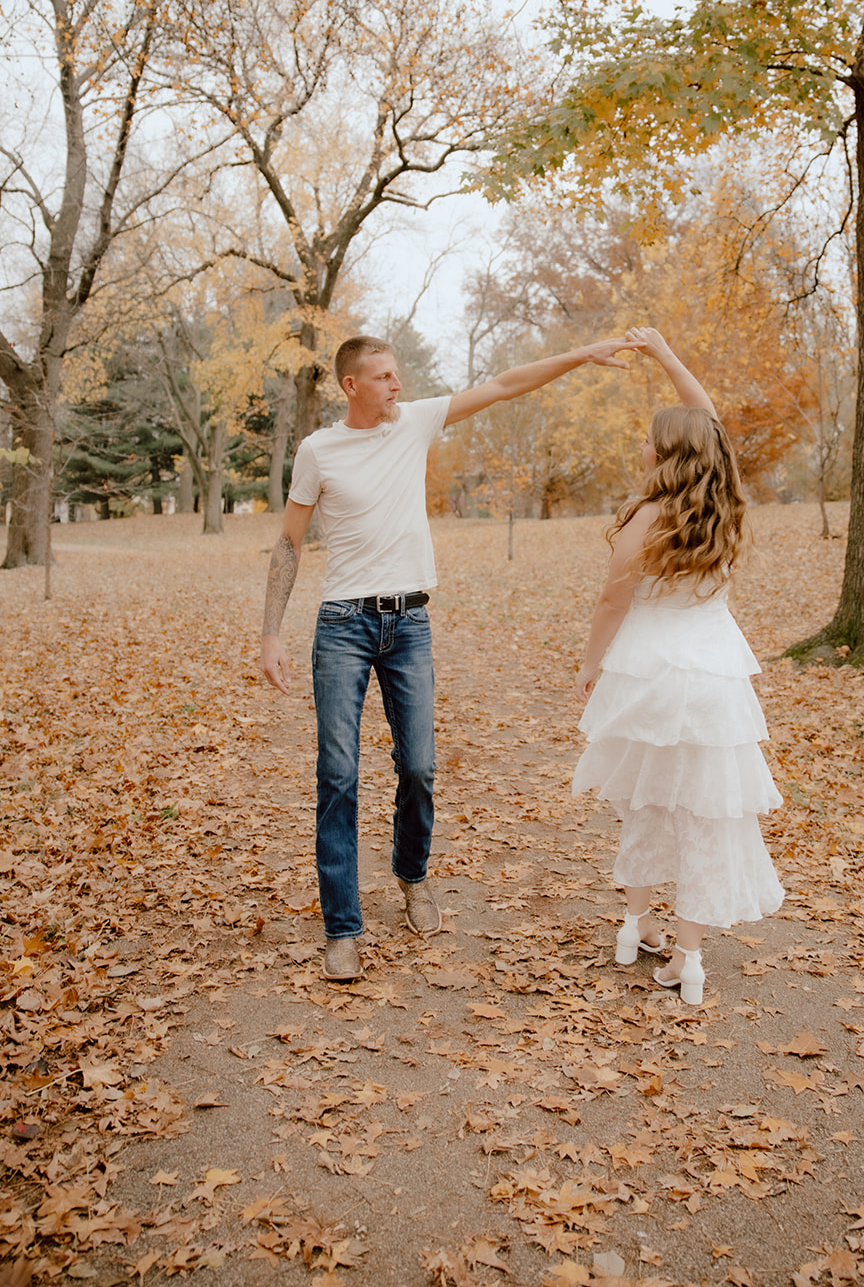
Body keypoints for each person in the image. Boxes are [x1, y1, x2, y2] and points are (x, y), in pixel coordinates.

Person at [261, 331, 632, 982]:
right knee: (338, 776)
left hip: (409, 623)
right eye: (382, 377)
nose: (396, 385)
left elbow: (503, 384)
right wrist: (269, 634)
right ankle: (342, 927)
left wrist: (580, 354)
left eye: (397, 374)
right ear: (351, 385)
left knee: (421, 767)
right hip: (342, 626)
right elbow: (288, 543)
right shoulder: (318, 450)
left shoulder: (416, 423)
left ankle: (412, 875)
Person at [572, 326, 783, 1006]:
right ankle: (687, 961)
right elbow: (708, 423)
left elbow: (612, 598)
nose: (640, 445)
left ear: (665, 454)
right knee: (703, 816)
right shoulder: (721, 503)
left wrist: (588, 667)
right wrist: (664, 355)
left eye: (648, 439)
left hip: (651, 673)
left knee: (645, 803)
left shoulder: (648, 516)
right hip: (716, 673)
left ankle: (631, 928)